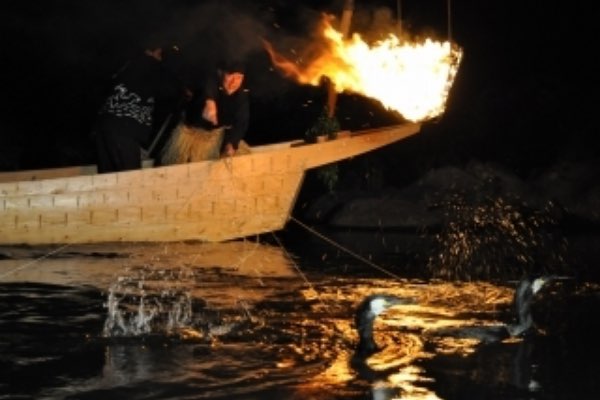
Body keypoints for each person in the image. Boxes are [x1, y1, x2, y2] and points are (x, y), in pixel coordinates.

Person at [93, 42, 189, 173]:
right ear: (150, 52)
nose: (160, 59)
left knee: (108, 177)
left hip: (104, 128)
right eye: (159, 54)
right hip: (124, 128)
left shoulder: (129, 65)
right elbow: (169, 88)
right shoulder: (149, 64)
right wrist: (185, 91)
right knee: (131, 178)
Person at [160, 60, 250, 164]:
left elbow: (241, 122)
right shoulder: (210, 83)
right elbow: (208, 84)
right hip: (191, 136)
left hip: (215, 139)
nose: (234, 82)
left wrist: (231, 143)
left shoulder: (241, 96)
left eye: (239, 77)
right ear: (220, 73)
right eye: (231, 75)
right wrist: (209, 102)